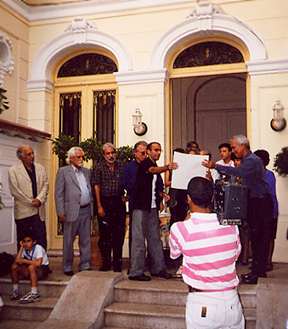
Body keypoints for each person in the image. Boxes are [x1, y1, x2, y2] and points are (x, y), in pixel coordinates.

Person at [169, 177, 244, 329]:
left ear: (188, 199)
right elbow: (235, 255)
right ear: (211, 198)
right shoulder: (231, 226)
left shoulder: (180, 229)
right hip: (232, 302)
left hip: (202, 303)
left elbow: (174, 254)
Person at [203, 135, 273, 284]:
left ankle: (257, 273)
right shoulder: (249, 160)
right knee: (256, 239)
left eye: (234, 147)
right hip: (256, 201)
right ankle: (257, 272)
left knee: (258, 239)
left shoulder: (252, 161)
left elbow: (239, 173)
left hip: (260, 203)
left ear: (243, 146)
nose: (233, 151)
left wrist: (215, 166)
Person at [128, 142, 177, 281]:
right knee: (138, 239)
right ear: (148, 151)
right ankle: (136, 272)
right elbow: (152, 170)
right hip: (140, 207)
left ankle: (158, 269)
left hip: (152, 207)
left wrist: (162, 194)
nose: (158, 152)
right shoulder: (145, 163)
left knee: (155, 238)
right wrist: (167, 167)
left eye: (160, 150)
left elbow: (155, 185)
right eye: (155, 150)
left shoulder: (154, 165)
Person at [55, 146, 93, 276]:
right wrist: (60, 211)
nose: (81, 159)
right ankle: (67, 266)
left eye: (82, 156)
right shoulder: (63, 172)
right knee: (68, 241)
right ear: (71, 158)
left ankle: (85, 264)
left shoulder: (87, 172)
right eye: (78, 157)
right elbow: (58, 194)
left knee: (85, 240)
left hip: (86, 210)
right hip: (70, 211)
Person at [93, 143, 126, 272]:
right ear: (104, 155)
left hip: (118, 202)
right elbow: (96, 186)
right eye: (108, 153)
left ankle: (117, 262)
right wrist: (99, 206)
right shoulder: (99, 167)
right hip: (105, 203)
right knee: (105, 235)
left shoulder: (121, 166)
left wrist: (127, 195)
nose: (111, 156)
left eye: (113, 153)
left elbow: (128, 181)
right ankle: (106, 262)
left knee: (119, 233)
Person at [8, 145, 49, 250]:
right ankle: (24, 264)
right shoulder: (13, 170)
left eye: (32, 153)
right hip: (23, 213)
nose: (32, 156)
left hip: (39, 212)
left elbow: (45, 185)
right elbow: (15, 191)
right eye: (28, 154)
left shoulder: (40, 168)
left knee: (41, 240)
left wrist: (39, 199)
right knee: (24, 243)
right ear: (21, 157)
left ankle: (43, 265)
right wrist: (31, 202)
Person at [123, 141, 147, 269]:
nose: (144, 155)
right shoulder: (129, 167)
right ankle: (135, 264)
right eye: (142, 153)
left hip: (149, 205)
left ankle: (146, 263)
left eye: (146, 153)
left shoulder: (150, 165)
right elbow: (126, 184)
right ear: (135, 153)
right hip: (136, 204)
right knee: (135, 234)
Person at [254, 149, 279, 271]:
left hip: (267, 209)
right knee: (262, 238)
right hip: (261, 210)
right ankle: (261, 262)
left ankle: (267, 262)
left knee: (268, 237)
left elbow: (272, 194)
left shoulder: (269, 175)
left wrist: (274, 211)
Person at [10, 231, 49, 304]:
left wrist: (24, 260)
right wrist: (21, 247)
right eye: (24, 241)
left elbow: (38, 263)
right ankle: (15, 291)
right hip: (32, 270)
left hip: (42, 269)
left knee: (31, 267)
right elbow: (17, 260)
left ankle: (34, 293)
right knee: (14, 266)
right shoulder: (24, 249)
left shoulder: (38, 248)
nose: (26, 243)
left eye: (28, 241)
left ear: (34, 242)